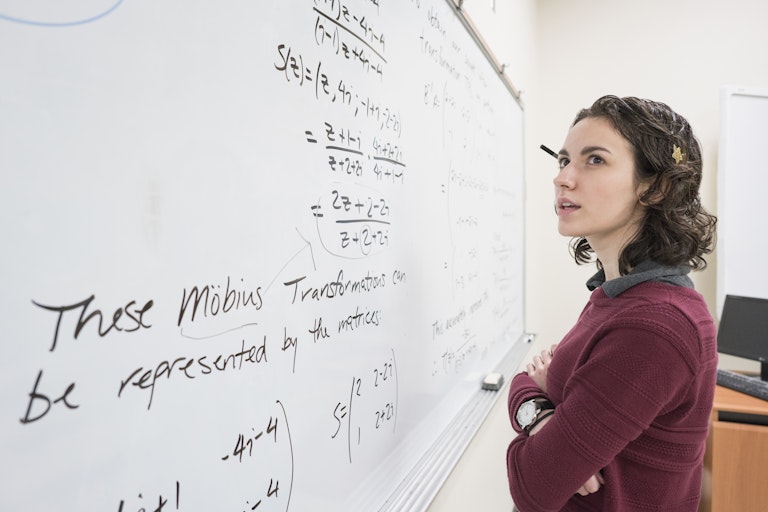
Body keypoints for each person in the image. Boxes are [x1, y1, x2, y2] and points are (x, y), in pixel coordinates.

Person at [506, 95, 718, 511]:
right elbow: (526, 379)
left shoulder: (656, 325)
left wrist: (543, 403)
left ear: (655, 186)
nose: (563, 178)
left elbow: (533, 484)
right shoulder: (617, 295)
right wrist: (541, 410)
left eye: (594, 160)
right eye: (563, 159)